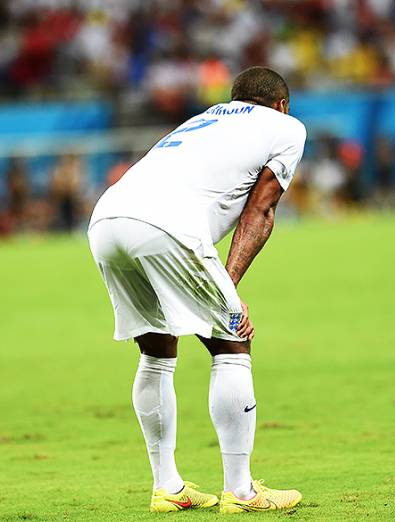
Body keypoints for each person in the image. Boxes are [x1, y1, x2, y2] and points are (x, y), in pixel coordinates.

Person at [88, 66, 306, 513]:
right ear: (282, 105)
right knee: (231, 340)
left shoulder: (204, 119)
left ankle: (167, 487)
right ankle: (241, 492)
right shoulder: (286, 127)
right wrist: (228, 285)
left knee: (155, 349)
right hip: (166, 224)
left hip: (106, 219)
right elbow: (259, 213)